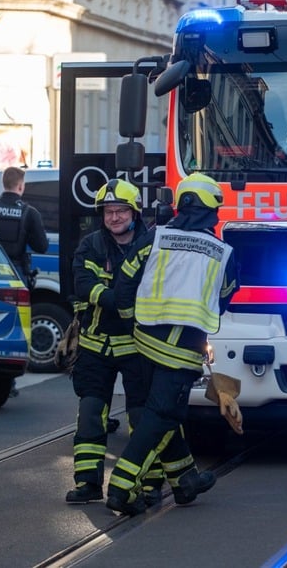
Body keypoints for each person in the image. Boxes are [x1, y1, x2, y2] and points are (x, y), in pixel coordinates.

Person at [105, 172, 239, 516]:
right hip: (182, 353)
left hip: (143, 341)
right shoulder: (223, 253)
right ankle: (121, 486)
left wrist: (129, 321)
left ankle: (185, 482)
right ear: (212, 210)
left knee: (169, 413)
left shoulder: (154, 238)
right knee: (162, 414)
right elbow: (223, 299)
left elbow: (124, 284)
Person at [64, 179, 168, 505]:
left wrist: (116, 299)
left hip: (139, 346)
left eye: (120, 210)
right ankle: (88, 483)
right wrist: (122, 301)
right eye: (108, 211)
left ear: (134, 212)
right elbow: (85, 287)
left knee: (140, 417)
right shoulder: (91, 245)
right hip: (96, 346)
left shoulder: (152, 244)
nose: (114, 217)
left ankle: (149, 484)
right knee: (91, 413)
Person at [0, 166, 48, 288]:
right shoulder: (30, 213)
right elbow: (42, 247)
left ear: (4, 184)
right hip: (15, 271)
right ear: (20, 186)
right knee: (17, 307)